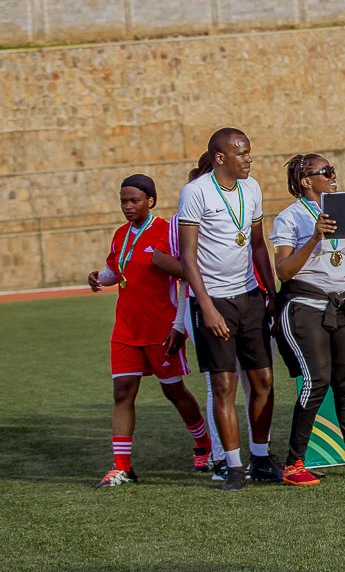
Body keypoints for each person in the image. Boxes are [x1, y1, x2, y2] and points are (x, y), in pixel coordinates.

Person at [271, 153, 345, 486]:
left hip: (342, 305)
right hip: (304, 306)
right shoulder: (289, 218)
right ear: (306, 181)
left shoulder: (342, 212)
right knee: (316, 381)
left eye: (333, 170)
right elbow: (283, 272)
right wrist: (314, 237)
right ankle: (294, 462)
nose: (333, 175)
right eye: (325, 172)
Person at [88, 175, 212, 488]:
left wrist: (178, 325)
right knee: (122, 392)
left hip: (162, 328)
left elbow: (188, 275)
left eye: (134, 200)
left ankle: (205, 445)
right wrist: (100, 277)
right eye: (123, 201)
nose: (128, 207)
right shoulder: (120, 235)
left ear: (150, 201)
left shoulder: (168, 230)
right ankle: (122, 467)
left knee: (173, 390)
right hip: (127, 328)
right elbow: (118, 270)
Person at [177, 128, 279, 491]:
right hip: (213, 299)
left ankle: (262, 457)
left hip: (249, 296)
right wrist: (206, 307)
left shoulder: (251, 188)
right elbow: (187, 257)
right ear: (220, 157)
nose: (248, 159)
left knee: (263, 380)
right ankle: (233, 466)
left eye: (249, 152)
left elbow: (257, 245)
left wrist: (271, 290)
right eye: (242, 153)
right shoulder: (195, 192)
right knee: (224, 385)